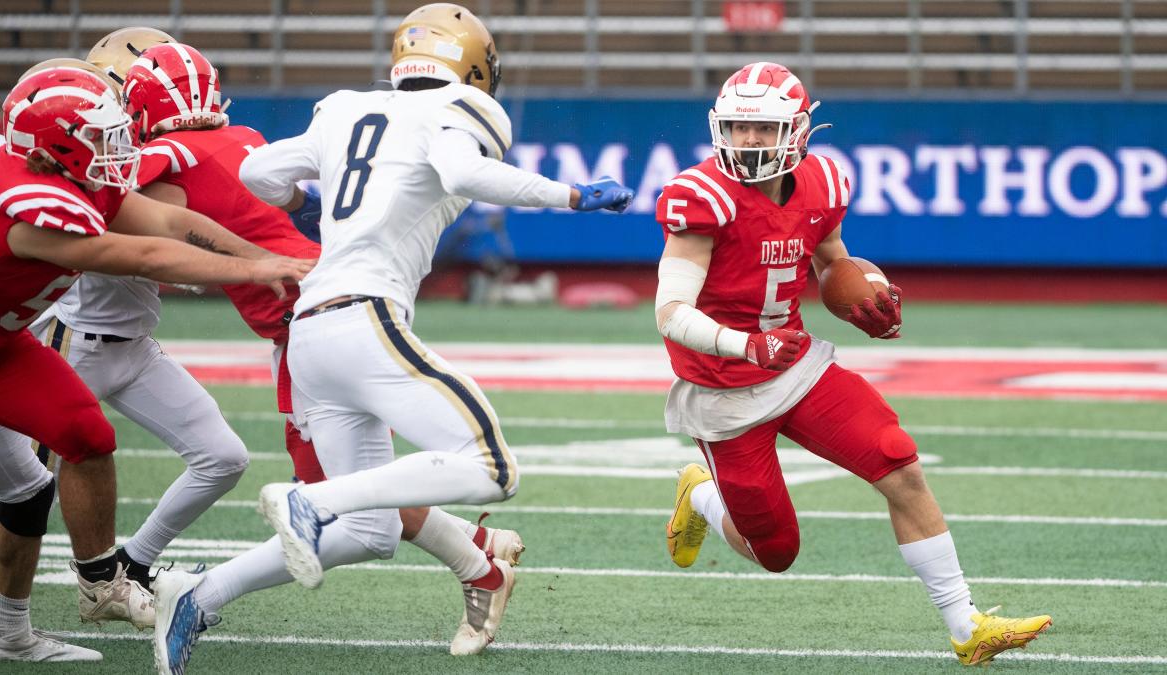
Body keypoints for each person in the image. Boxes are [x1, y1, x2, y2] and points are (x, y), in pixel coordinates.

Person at [150, 4, 634, 673]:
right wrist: (572, 195)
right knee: (492, 468)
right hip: (364, 317)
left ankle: (198, 595)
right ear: (469, 62)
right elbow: (465, 175)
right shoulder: (463, 107)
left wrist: (304, 203)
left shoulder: (344, 106)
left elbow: (259, 172)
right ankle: (309, 499)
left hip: (310, 334)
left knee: (374, 531)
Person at [653, 62, 1051, 667]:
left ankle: (967, 626)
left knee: (899, 461)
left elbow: (830, 259)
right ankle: (703, 494)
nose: (749, 142)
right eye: (738, 128)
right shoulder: (701, 196)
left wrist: (868, 293)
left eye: (764, 130)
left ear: (799, 131)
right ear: (720, 129)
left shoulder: (823, 183)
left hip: (794, 366)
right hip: (723, 387)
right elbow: (671, 311)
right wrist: (743, 344)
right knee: (775, 551)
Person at [116, 32, 525, 592]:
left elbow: (134, 231)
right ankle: (478, 557)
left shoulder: (167, 155)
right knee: (354, 493)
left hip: (310, 323)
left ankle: (478, 563)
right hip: (350, 303)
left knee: (335, 494)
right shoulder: (245, 139)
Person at [0, 67, 312, 662]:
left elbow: (173, 223)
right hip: (3, 341)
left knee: (82, 439)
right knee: (17, 487)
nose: (119, 148)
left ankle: (44, 614)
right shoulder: (29, 209)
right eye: (103, 135)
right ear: (60, 144)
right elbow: (152, 254)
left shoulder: (76, 181)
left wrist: (267, 257)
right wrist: (257, 270)